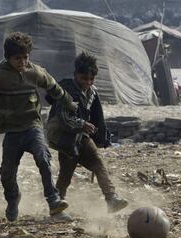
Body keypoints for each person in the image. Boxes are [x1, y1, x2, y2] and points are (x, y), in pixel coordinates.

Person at [0, 32, 77, 221]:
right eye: (17, 58)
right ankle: (13, 199)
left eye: (25, 57)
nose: (22, 62)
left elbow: (55, 89)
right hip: (12, 131)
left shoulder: (35, 72)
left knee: (43, 158)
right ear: (8, 58)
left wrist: (70, 104)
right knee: (7, 173)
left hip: (32, 126)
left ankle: (53, 200)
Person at [46, 51, 128, 215]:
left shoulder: (92, 92)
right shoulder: (66, 91)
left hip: (82, 137)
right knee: (66, 173)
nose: (88, 83)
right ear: (75, 74)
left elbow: (98, 117)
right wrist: (82, 124)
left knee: (98, 163)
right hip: (65, 138)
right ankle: (56, 207)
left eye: (91, 79)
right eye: (84, 79)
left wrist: (101, 138)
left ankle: (111, 198)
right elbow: (63, 118)